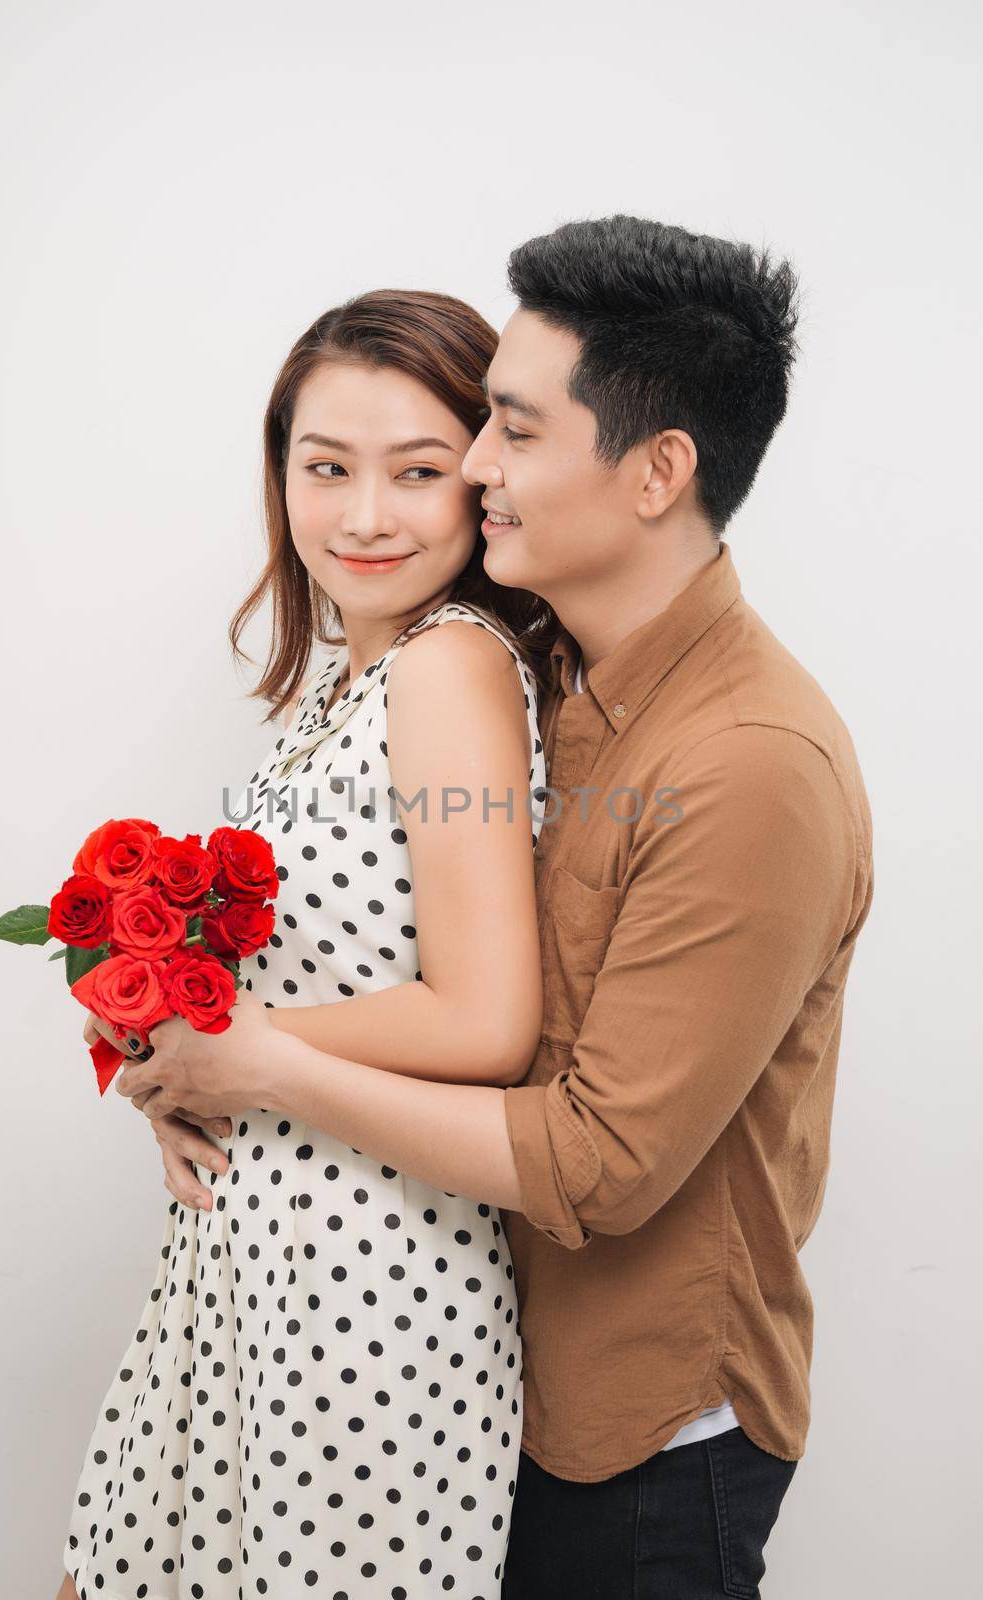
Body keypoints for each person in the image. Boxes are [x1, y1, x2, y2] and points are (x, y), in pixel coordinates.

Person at [116, 216, 874, 1599]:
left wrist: (265, 1064)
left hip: (648, 1436)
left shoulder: (751, 764)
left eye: (508, 434)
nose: (472, 470)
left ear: (657, 472)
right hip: (496, 1371)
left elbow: (596, 1159)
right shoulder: (576, 683)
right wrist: (193, 1054)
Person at [57, 288, 559, 1599]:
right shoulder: (348, 686)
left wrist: (230, 1053)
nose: (365, 515)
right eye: (325, 468)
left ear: (483, 484)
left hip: (369, 1287)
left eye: (418, 472)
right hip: (259, 1273)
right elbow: (282, 995)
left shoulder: (449, 669)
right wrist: (164, 1063)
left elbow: (485, 1016)